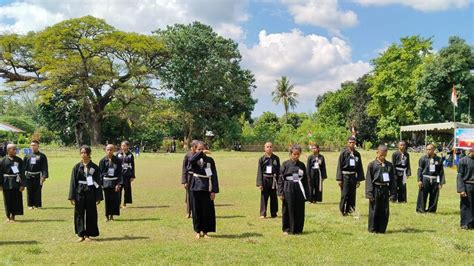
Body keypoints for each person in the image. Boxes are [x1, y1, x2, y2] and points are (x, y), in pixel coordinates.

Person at [68, 145, 103, 242]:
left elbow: (98, 182)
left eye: (85, 153)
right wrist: (72, 196)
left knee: (91, 213)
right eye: (81, 153)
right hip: (79, 192)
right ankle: (80, 234)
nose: (83, 155)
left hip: (90, 192)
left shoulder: (94, 167)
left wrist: (98, 196)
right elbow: (73, 182)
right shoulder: (76, 167)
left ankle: (88, 234)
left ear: (89, 154)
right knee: (79, 213)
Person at [188, 141, 219, 239]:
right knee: (196, 210)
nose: (201, 151)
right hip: (196, 186)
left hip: (207, 186)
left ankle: (205, 231)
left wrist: (214, 190)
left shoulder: (210, 160)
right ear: (195, 149)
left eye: (203, 149)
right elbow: (191, 161)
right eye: (199, 149)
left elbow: (213, 175)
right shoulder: (193, 158)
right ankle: (197, 231)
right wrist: (200, 153)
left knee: (207, 210)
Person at [277, 144, 309, 235]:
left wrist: (306, 193)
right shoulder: (285, 164)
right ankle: (287, 229)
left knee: (299, 208)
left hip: (299, 187)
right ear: (290, 154)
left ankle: (298, 229)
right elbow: (280, 179)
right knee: (287, 208)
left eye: (298, 154)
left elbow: (305, 179)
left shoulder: (302, 165)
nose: (296, 156)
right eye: (294, 154)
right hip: (288, 187)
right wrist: (280, 192)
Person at [365, 145, 397, 233]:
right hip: (375, 188)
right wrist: (369, 193)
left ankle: (382, 229)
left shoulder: (389, 165)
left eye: (384, 155)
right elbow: (368, 180)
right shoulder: (372, 165)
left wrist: (393, 193)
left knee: (384, 209)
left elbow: (392, 181)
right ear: (377, 152)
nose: (382, 156)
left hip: (385, 189)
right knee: (374, 209)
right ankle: (372, 228)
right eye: (380, 154)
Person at [336, 137, 365, 216]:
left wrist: (358, 179)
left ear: (355, 143)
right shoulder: (343, 153)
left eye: (353, 142)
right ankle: (342, 210)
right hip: (345, 176)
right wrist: (339, 179)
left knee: (352, 194)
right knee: (345, 194)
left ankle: (350, 210)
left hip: (353, 176)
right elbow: (339, 166)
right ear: (347, 143)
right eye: (350, 142)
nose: (352, 144)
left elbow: (359, 167)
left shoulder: (357, 154)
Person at [416, 144, 445, 213]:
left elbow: (441, 172)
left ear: (434, 150)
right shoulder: (423, 158)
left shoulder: (438, 159)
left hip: (435, 179)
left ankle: (431, 210)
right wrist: (419, 180)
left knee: (434, 195)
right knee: (423, 195)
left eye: (430, 149)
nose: (428, 151)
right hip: (425, 178)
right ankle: (421, 209)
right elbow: (419, 170)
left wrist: (440, 182)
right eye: (427, 149)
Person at [0, 144, 25, 222]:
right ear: (8, 150)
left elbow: (22, 173)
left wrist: (23, 184)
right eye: (13, 149)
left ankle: (13, 216)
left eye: (15, 149)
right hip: (6, 182)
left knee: (16, 199)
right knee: (7, 200)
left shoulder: (19, 160)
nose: (15, 151)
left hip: (16, 182)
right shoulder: (2, 160)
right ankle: (8, 216)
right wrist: (0, 185)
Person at [256, 142, 280, 218]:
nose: (269, 148)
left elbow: (279, 170)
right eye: (267, 147)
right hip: (264, 179)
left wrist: (279, 182)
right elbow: (259, 171)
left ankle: (274, 213)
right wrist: (260, 183)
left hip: (274, 179)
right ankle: (263, 213)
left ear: (272, 148)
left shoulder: (276, 158)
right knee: (264, 197)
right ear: (264, 148)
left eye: (270, 147)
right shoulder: (262, 159)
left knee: (274, 197)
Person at [99, 144, 123, 222]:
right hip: (106, 182)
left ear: (114, 150)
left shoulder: (118, 160)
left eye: (111, 149)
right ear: (105, 150)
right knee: (107, 200)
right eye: (108, 149)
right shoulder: (102, 161)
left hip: (115, 182)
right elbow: (100, 173)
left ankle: (112, 216)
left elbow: (120, 173)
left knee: (114, 200)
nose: (109, 151)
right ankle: (107, 216)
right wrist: (101, 184)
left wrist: (118, 184)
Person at [23, 140, 49, 209]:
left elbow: (44, 167)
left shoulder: (42, 156)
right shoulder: (27, 156)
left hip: (38, 176)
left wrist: (44, 176)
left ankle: (37, 205)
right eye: (31, 145)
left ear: (38, 146)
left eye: (34, 145)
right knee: (29, 190)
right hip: (29, 176)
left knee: (37, 191)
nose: (33, 147)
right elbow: (23, 167)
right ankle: (30, 205)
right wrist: (22, 176)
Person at [456, 147, 474, 229]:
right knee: (466, 205)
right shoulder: (463, 161)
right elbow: (460, 175)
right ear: (471, 151)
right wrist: (461, 189)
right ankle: (465, 223)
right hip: (467, 185)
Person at [182, 140, 199, 218]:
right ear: (193, 147)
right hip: (190, 177)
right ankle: (188, 212)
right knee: (189, 195)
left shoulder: (200, 155)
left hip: (198, 177)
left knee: (198, 194)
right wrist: (184, 181)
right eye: (196, 146)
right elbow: (184, 169)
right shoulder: (188, 155)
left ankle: (197, 212)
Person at [117, 141, 136, 208]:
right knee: (118, 190)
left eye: (124, 145)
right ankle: (118, 204)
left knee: (127, 190)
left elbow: (133, 165)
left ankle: (124, 203)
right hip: (119, 175)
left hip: (127, 175)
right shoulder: (118, 154)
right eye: (122, 145)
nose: (123, 147)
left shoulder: (130, 155)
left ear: (127, 146)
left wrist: (133, 175)